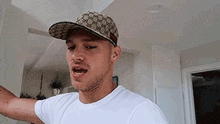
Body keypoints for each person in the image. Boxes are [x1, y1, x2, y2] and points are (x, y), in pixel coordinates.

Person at [0, 11, 168, 124]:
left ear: (114, 54)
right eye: (71, 47)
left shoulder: (141, 113)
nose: (76, 56)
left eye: (90, 47)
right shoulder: (58, 106)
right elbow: (8, 104)